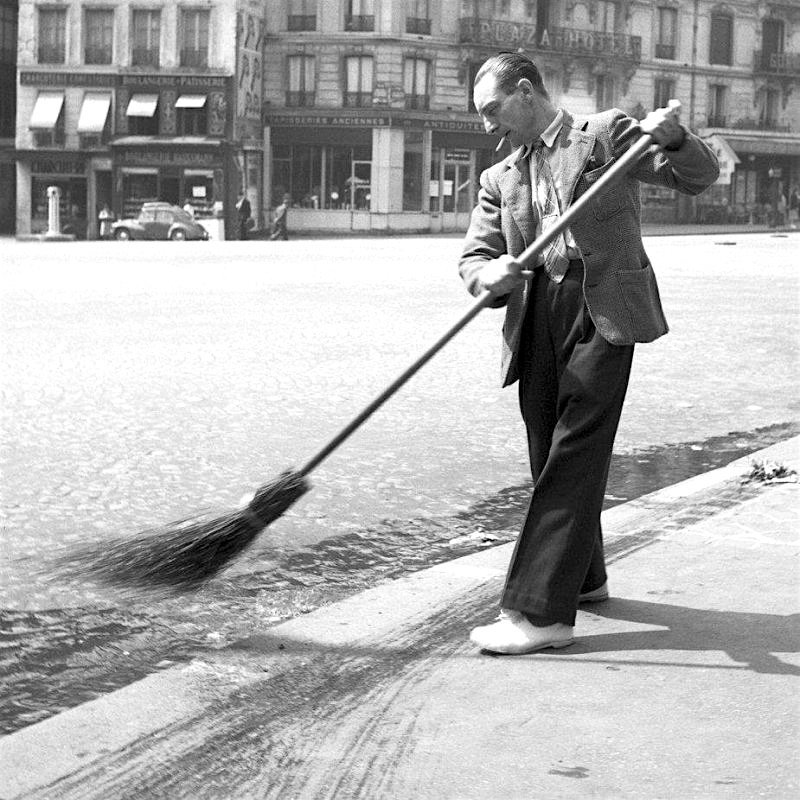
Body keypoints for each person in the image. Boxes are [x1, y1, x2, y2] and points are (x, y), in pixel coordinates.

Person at [460, 52, 719, 656]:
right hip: (537, 314)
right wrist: (488, 273)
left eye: (492, 111)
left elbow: (696, 176)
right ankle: (584, 578)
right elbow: (474, 256)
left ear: (526, 93)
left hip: (602, 306)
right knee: (547, 447)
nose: (487, 127)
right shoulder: (500, 177)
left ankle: (539, 613)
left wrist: (676, 138)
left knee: (576, 446)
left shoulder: (604, 136)